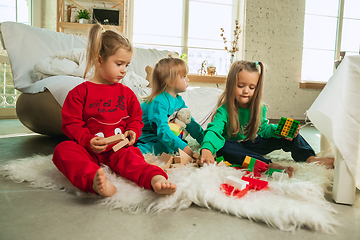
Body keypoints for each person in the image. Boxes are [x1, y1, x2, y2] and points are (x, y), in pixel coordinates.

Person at [52, 24, 176, 197]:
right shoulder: (79, 93)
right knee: (63, 150)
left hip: (120, 149)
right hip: (89, 149)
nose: (124, 70)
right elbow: (71, 123)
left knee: (134, 158)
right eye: (119, 64)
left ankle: (154, 178)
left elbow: (136, 117)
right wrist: (87, 140)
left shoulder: (127, 93)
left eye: (127, 64)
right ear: (99, 60)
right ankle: (94, 180)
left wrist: (133, 130)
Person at [200, 60, 334, 177]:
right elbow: (214, 130)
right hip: (235, 147)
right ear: (231, 86)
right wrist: (206, 149)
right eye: (241, 86)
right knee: (223, 148)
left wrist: (280, 131)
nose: (246, 90)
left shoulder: (260, 108)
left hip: (253, 143)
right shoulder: (224, 110)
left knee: (292, 134)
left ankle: (309, 158)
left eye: (251, 87)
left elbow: (263, 130)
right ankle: (267, 165)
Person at [136, 57, 203, 157]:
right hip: (144, 135)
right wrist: (183, 147)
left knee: (172, 143)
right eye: (184, 76)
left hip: (156, 134)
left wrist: (204, 140)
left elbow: (190, 122)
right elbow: (162, 130)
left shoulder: (178, 100)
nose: (188, 79)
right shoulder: (158, 101)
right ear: (169, 81)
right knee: (164, 148)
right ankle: (132, 152)